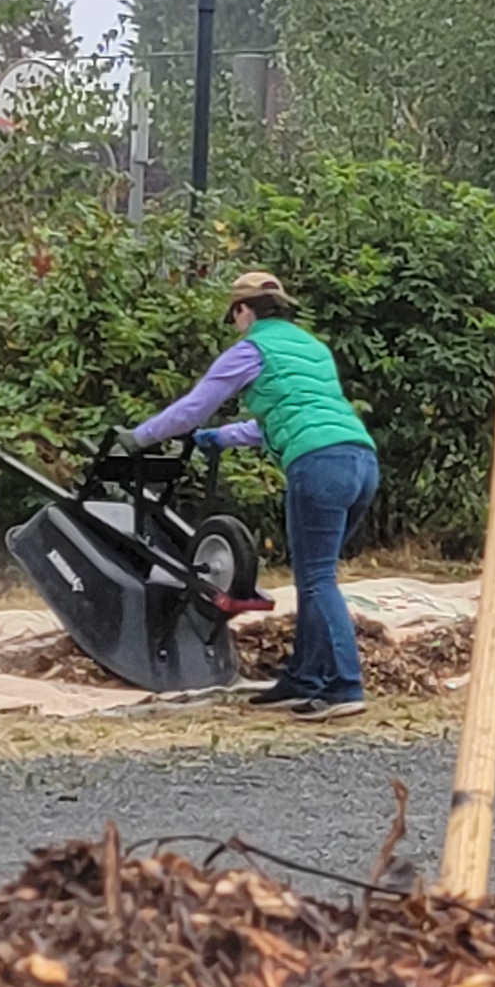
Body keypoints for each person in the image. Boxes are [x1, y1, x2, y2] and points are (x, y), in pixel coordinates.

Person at [132, 269, 382, 720]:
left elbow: (191, 409)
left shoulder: (251, 349)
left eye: (235, 316)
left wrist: (139, 437)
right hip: (360, 461)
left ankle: (345, 687)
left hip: (318, 464)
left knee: (317, 579)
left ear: (243, 310)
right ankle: (303, 679)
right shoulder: (313, 349)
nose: (236, 324)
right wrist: (221, 438)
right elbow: (289, 415)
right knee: (316, 575)